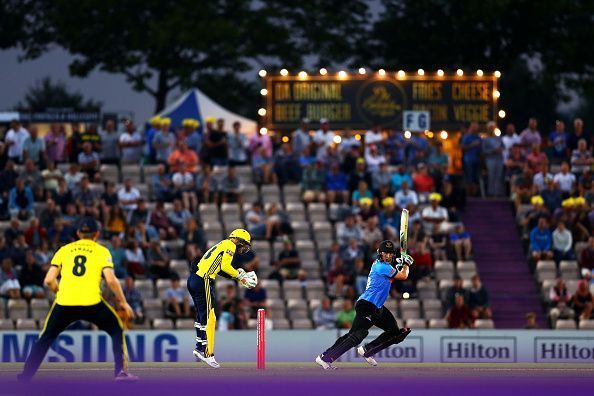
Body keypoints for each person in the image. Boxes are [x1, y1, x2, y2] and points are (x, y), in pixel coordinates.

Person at [17, 217, 137, 381]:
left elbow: (48, 280)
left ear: (78, 233)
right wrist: (123, 302)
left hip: (65, 302)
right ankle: (120, 372)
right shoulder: (101, 251)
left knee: (45, 338)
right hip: (91, 302)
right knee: (116, 328)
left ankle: (26, 376)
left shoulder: (64, 250)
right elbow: (110, 280)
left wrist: (59, 292)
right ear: (97, 234)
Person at [315, 240, 414, 369]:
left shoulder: (384, 266)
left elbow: (394, 274)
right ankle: (324, 357)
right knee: (357, 335)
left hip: (377, 308)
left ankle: (368, 350)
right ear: (380, 254)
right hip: (367, 305)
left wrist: (400, 266)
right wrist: (406, 264)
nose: (388, 256)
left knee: (395, 333)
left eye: (390, 254)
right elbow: (403, 276)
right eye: (386, 253)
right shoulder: (381, 266)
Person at [186, 229, 257, 368]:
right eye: (243, 245)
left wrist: (238, 278)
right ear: (237, 240)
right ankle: (208, 354)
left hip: (194, 279)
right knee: (210, 317)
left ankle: (200, 347)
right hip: (203, 279)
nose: (243, 248)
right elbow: (225, 266)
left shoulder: (221, 245)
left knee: (201, 316)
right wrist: (240, 276)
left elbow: (221, 269)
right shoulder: (230, 245)